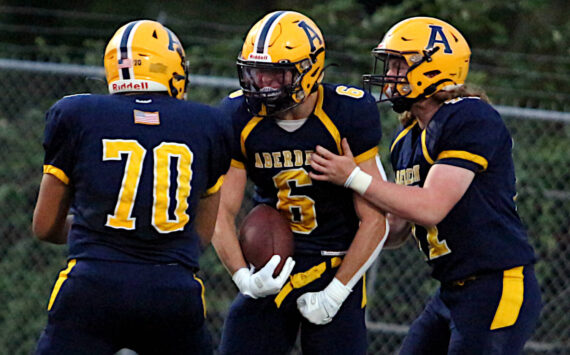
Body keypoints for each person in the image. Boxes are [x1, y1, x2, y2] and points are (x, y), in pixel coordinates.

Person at [308, 16, 542, 354]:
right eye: (388, 65)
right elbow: (399, 227)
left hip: (496, 284)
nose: (389, 76)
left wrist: (353, 177)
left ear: (434, 67)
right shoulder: (406, 140)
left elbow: (431, 207)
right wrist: (333, 238)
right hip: (450, 291)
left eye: (398, 65)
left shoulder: (468, 116)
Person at [32, 19, 232, 354]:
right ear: (173, 69)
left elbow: (44, 226)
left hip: (93, 287)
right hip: (172, 291)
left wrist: (103, 231)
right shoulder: (209, 124)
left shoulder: (77, 112)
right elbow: (199, 235)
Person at [211, 10, 388, 355]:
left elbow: (375, 220)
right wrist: (243, 278)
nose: (262, 84)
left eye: (276, 75)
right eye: (255, 72)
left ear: (310, 70)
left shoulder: (347, 113)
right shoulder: (237, 116)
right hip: (273, 264)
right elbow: (221, 212)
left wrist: (336, 292)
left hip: (336, 262)